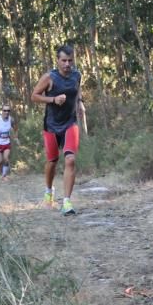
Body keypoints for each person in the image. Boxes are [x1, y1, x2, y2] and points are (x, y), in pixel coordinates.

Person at [32, 44, 86, 215]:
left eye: (70, 60)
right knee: (52, 162)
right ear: (57, 60)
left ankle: (67, 202)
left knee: (70, 160)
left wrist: (80, 103)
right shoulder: (49, 77)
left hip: (70, 123)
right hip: (51, 126)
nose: (67, 64)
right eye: (64, 60)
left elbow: (78, 92)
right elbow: (34, 96)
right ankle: (49, 191)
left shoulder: (77, 75)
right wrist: (53, 99)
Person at [0, 104, 16, 180]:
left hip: (6, 144)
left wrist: (15, 137)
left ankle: (4, 176)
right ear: (2, 111)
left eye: (8, 110)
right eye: (5, 110)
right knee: (0, 161)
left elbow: (15, 128)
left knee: (6, 159)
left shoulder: (11, 119)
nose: (6, 112)